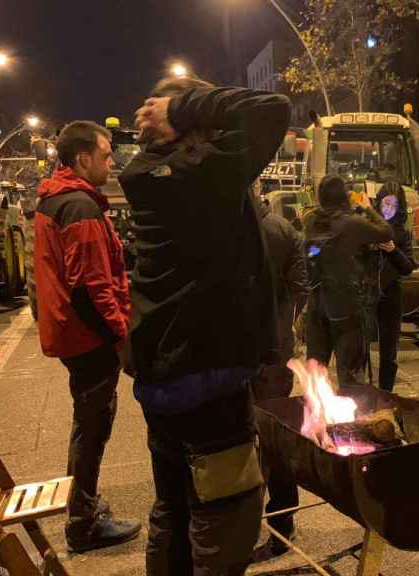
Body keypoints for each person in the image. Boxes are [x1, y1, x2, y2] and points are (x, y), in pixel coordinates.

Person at [119, 77, 290, 575]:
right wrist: (184, 105)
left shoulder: (145, 170)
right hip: (208, 380)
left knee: (172, 507)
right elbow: (271, 108)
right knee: (225, 515)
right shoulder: (204, 173)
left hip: (159, 376)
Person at [33, 120, 141, 552]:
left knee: (89, 424)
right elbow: (89, 288)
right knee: (93, 427)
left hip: (71, 334)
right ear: (83, 158)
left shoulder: (59, 199)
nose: (111, 160)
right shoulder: (79, 208)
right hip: (87, 339)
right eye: (106, 152)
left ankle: (86, 508)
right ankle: (83, 522)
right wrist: (121, 339)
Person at [251, 180, 308, 558]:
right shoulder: (282, 229)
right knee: (274, 437)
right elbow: (301, 286)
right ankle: (282, 522)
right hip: (272, 350)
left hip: (223, 356)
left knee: (230, 441)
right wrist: (284, 324)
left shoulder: (211, 224)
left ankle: (234, 530)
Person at [303, 175, 393, 387]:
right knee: (350, 374)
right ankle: (349, 419)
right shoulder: (353, 223)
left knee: (316, 373)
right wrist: (367, 207)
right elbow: (385, 232)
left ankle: (317, 418)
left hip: (317, 304)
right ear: (344, 195)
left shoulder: (312, 221)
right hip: (346, 306)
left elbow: (311, 254)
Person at [372, 181, 416, 391]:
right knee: (359, 348)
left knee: (388, 352)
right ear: (378, 203)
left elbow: (408, 266)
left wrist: (392, 250)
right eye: (385, 204)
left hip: (391, 295)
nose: (388, 209)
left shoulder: (403, 234)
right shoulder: (367, 227)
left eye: (394, 205)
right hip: (366, 296)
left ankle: (385, 393)